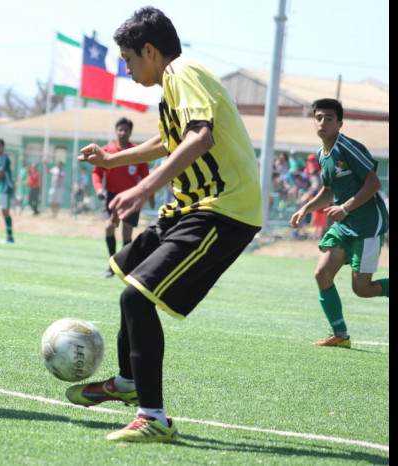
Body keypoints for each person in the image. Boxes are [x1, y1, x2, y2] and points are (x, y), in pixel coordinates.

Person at [69, 7, 263, 443]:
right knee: (128, 283)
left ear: (151, 51)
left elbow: (200, 137)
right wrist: (112, 158)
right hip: (191, 208)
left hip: (223, 210)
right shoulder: (171, 87)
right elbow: (169, 140)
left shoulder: (183, 73)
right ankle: (127, 380)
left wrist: (142, 190)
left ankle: (153, 416)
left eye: (129, 59)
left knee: (138, 300)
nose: (126, 68)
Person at [290, 98, 389, 348]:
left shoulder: (347, 147)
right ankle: (340, 335)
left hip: (367, 225)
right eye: (319, 117)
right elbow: (328, 191)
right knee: (322, 274)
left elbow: (374, 183)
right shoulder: (323, 155)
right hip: (344, 225)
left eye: (329, 118)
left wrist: (345, 207)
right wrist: (305, 208)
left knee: (363, 289)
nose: (323, 122)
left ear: (340, 123)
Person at [92, 117, 152, 277]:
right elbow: (96, 172)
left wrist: (150, 195)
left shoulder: (137, 152)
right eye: (120, 129)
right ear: (116, 131)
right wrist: (99, 189)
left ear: (130, 132)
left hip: (132, 197)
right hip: (111, 196)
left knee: (127, 232)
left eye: (126, 130)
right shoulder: (107, 151)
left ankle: (125, 266)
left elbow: (145, 175)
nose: (123, 133)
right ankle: (112, 265)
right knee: (109, 227)